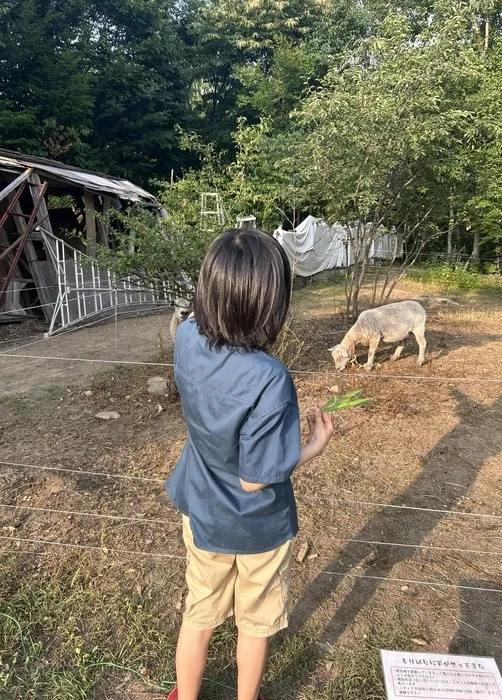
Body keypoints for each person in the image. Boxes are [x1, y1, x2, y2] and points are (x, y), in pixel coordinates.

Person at [166, 228, 334, 700]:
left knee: (198, 614)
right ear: (271, 302)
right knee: (255, 623)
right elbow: (255, 479)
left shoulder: (185, 336)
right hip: (258, 526)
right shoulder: (270, 378)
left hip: (201, 507)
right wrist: (314, 446)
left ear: (209, 287)